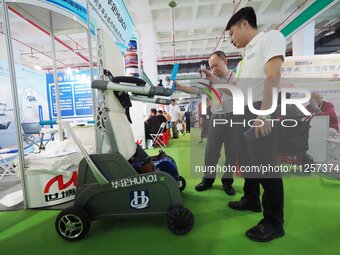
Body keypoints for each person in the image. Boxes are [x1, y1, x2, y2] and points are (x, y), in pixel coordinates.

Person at [224, 7, 286, 242]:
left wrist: (265, 114)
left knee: (265, 166)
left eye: (232, 34)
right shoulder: (245, 56)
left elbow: (273, 76)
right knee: (248, 162)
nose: (231, 40)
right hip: (244, 110)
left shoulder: (270, 38)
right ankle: (251, 199)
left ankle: (274, 222)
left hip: (261, 108)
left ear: (244, 24)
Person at [175, 50, 236, 196]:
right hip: (216, 118)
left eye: (216, 65)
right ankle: (208, 180)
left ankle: (227, 182)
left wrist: (214, 79)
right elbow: (195, 90)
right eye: (211, 67)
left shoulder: (235, 77)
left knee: (231, 154)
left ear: (225, 61)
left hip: (234, 118)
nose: (214, 69)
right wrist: (179, 86)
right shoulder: (210, 81)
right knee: (210, 152)